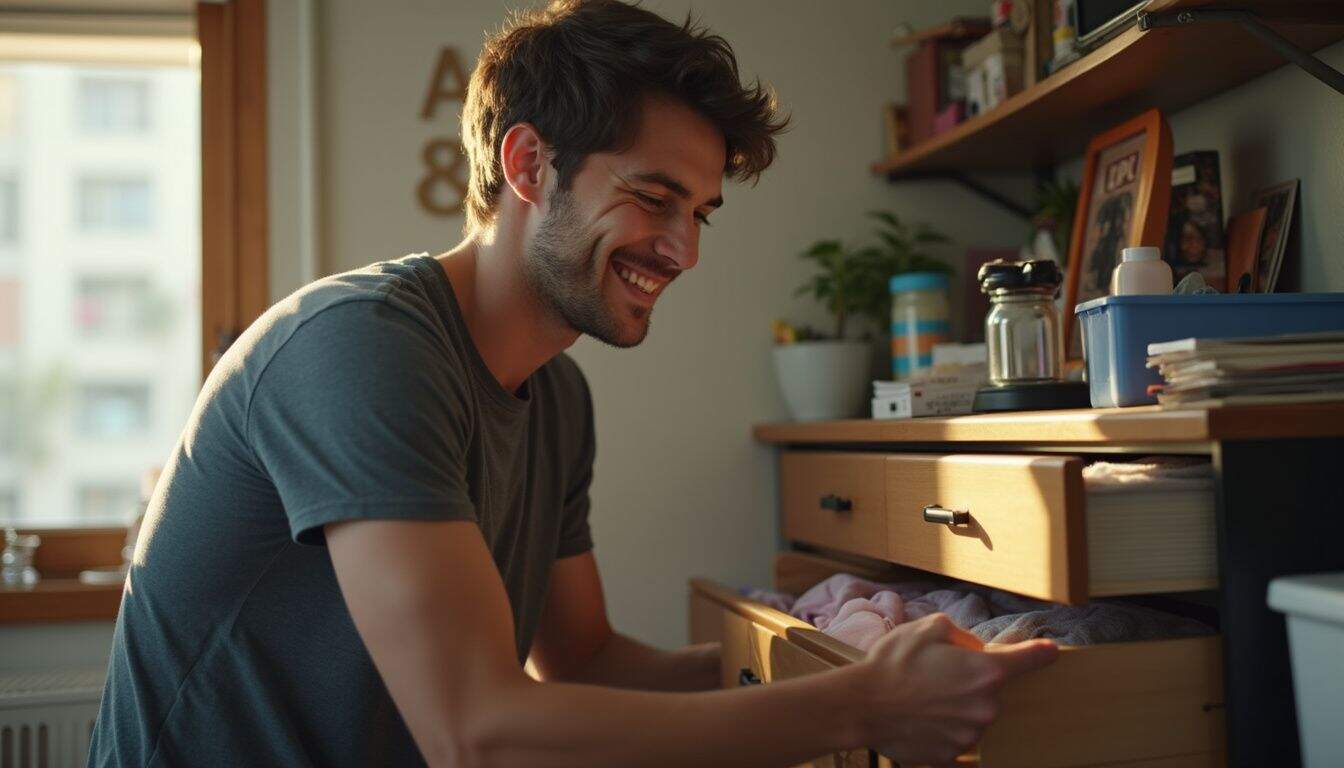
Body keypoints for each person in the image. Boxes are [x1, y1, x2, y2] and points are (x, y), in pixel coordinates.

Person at [88, 2, 1057, 766]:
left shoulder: (555, 396)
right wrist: (860, 704)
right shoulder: (361, 348)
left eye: (701, 214)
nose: (682, 250)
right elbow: (479, 734)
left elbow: (584, 660)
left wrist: (818, 646)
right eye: (652, 196)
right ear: (527, 163)